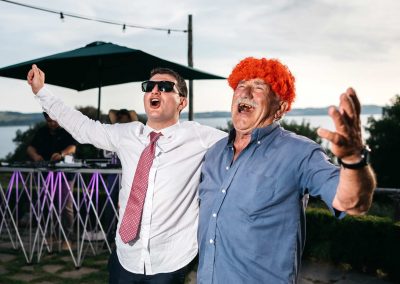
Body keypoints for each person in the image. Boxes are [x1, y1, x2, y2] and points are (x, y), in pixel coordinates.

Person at [27, 64, 227, 284]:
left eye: (165, 86)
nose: (155, 90)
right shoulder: (128, 134)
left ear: (182, 102)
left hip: (171, 261)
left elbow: (244, 145)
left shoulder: (199, 136)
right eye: (149, 86)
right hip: (125, 258)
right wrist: (41, 91)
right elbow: (82, 127)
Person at [197, 57, 376, 283]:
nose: (246, 93)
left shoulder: (300, 153)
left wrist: (353, 161)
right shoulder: (213, 154)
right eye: (241, 85)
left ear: (280, 108)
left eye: (259, 87)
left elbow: (352, 201)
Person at [26, 111, 77, 249]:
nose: (52, 124)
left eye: (54, 121)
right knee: (48, 204)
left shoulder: (67, 130)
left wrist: (61, 154)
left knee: (66, 206)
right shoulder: (42, 132)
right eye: (49, 121)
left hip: (65, 174)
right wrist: (35, 156)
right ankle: (53, 235)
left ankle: (68, 239)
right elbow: (30, 147)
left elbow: (72, 147)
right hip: (45, 173)